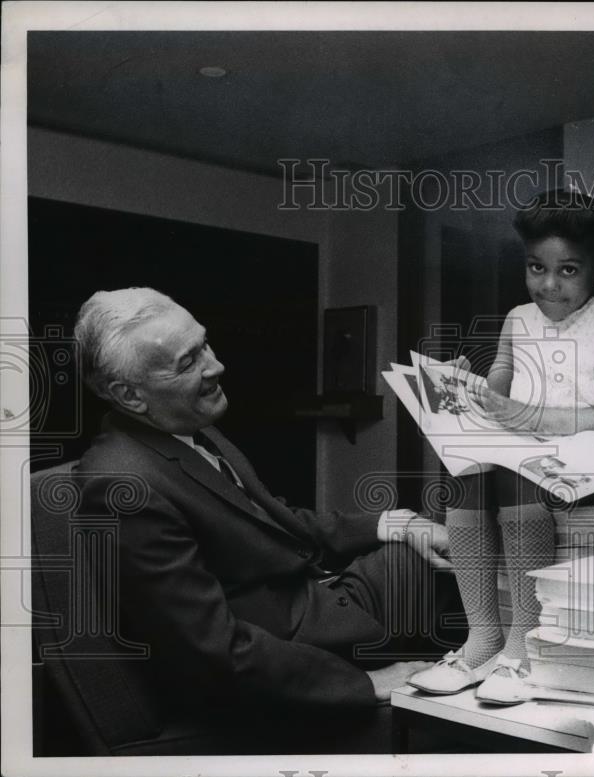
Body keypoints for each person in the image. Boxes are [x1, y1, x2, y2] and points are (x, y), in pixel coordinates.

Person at [72, 287, 466, 718]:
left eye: (203, 344)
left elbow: (276, 523)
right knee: (470, 568)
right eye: (188, 362)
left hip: (320, 601)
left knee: (453, 532)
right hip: (300, 649)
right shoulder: (122, 483)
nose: (216, 365)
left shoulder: (187, 429)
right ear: (129, 395)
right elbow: (209, 648)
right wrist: (362, 682)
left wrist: (398, 522)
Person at [408, 191, 594, 704]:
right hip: (534, 454)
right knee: (470, 464)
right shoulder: (517, 318)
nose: (549, 285)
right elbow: (499, 390)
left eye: (567, 270)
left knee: (517, 470)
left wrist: (537, 418)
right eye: (537, 267)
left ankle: (522, 641)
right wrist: (467, 393)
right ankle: (482, 636)